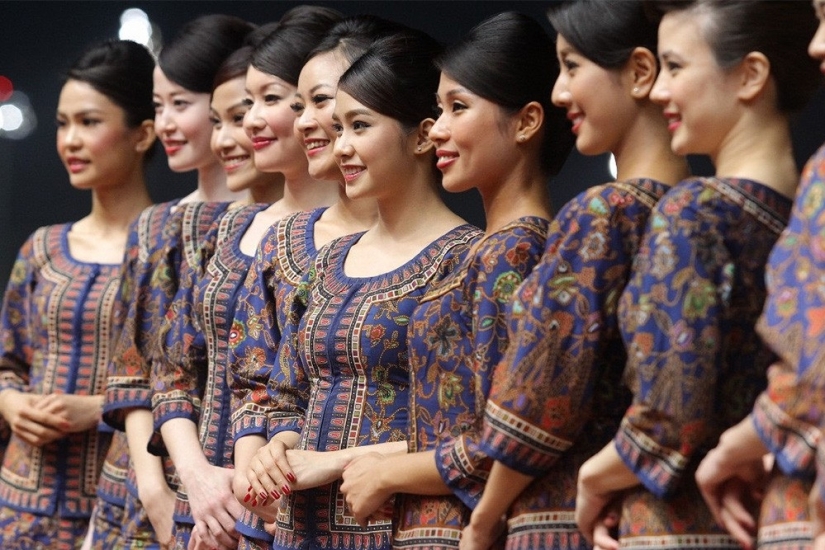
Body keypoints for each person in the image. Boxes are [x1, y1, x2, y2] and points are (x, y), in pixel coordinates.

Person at [574, 2, 821, 549]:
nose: (659, 90)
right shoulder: (795, 213)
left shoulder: (695, 211)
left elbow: (670, 411)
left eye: (676, 67)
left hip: (672, 524)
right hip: (760, 515)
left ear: (751, 75)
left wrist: (593, 478)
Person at [444, 2, 688, 549]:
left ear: (641, 73)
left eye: (572, 67)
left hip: (561, 521)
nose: (559, 92)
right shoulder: (696, 210)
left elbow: (541, 395)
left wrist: (485, 519)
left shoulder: (603, 214)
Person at [334, 12, 572, 548]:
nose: (437, 127)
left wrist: (386, 472)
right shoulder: (488, 250)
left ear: (527, 121)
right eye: (439, 109)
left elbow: (506, 438)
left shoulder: (516, 251)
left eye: (457, 108)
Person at [240, 28, 482, 550]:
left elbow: (475, 434)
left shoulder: (465, 259)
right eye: (340, 127)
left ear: (421, 136)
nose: (341, 145)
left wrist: (334, 462)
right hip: (300, 531)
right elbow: (286, 394)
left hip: (402, 530)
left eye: (360, 126)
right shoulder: (329, 260)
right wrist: (277, 448)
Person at [149, 8, 345, 550]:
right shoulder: (234, 225)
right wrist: (196, 477)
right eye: (246, 103)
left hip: (282, 513)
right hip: (202, 505)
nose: (254, 120)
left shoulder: (352, 242)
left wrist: (246, 488)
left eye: (271, 100)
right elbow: (171, 367)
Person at [228, 11, 404, 533]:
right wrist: (257, 468)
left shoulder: (456, 250)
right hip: (277, 517)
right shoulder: (287, 242)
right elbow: (259, 383)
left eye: (320, 102)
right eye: (300, 105)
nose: (307, 121)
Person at [100, 13, 254, 550]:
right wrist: (154, 491)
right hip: (146, 483)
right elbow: (132, 372)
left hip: (236, 483)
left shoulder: (273, 224)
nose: (165, 123)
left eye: (181, 105)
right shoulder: (156, 224)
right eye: (158, 105)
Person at [0, 38, 156, 550]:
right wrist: (11, 403)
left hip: (126, 509)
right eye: (63, 123)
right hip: (19, 507)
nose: (70, 139)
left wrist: (99, 409)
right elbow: (7, 361)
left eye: (89, 122)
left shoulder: (172, 247)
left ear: (143, 133)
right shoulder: (42, 248)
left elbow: (196, 386)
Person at [694, 4, 825, 549]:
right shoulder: (797, 195)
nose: (818, 45)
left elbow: (812, 362)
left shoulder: (693, 213)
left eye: (673, 67)